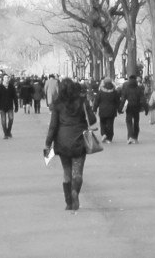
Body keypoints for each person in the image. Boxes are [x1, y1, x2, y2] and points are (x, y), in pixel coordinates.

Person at [43, 78, 97, 212]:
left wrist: (48, 143)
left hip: (62, 141)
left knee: (66, 171)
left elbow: (53, 126)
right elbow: (92, 119)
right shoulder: (81, 101)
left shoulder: (57, 104)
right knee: (77, 172)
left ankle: (68, 202)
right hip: (79, 140)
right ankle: (75, 192)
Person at [118, 74, 145, 144]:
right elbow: (143, 99)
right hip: (136, 107)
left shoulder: (126, 89)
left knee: (129, 122)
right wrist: (145, 108)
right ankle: (135, 137)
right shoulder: (139, 89)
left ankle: (130, 136)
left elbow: (123, 100)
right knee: (136, 122)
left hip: (128, 107)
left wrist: (120, 109)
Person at [92, 78, 120, 143]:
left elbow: (96, 101)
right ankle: (109, 138)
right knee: (110, 123)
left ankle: (103, 134)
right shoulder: (114, 92)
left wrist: (94, 109)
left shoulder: (101, 91)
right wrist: (119, 109)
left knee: (102, 123)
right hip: (112, 110)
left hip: (102, 110)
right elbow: (118, 101)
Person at [0, 75, 15, 139]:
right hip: (2, 107)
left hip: (10, 106)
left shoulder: (11, 87)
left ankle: (8, 131)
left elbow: (15, 97)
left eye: (7, 78)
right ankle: (5, 134)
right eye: (5, 78)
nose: (6, 79)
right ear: (3, 79)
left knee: (11, 119)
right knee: (3, 121)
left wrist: (16, 105)